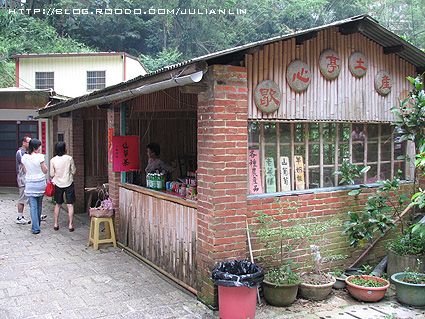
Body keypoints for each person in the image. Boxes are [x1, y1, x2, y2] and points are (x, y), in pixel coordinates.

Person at [21, 139, 48, 234]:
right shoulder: (40, 157)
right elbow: (45, 170)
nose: (40, 148)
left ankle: (35, 227)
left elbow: (25, 171)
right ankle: (37, 224)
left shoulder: (24, 157)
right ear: (35, 147)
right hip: (39, 183)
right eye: (39, 146)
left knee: (33, 206)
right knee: (39, 205)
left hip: (30, 183)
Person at [50, 141, 76, 232]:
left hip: (58, 183)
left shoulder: (53, 160)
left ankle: (56, 223)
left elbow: (52, 173)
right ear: (65, 149)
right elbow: (74, 171)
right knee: (70, 205)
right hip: (68, 182)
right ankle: (70, 224)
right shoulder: (69, 158)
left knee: (58, 204)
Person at [15, 135, 31, 224]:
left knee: (30, 196)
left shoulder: (28, 152)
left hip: (28, 178)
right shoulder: (20, 152)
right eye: (29, 142)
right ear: (24, 143)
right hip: (22, 178)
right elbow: (25, 163)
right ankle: (19, 217)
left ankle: (36, 214)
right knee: (22, 197)